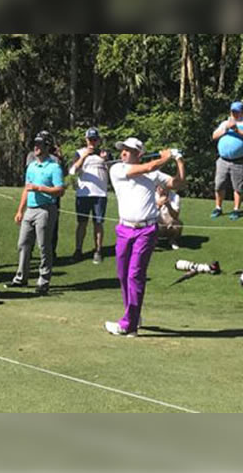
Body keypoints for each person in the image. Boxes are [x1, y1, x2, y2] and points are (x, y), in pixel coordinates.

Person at [104, 138, 186, 337]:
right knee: (123, 274)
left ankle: (128, 325)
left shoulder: (153, 174)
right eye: (122, 149)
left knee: (135, 275)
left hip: (146, 230)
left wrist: (179, 160)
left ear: (138, 154)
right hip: (124, 228)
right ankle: (133, 315)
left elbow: (178, 183)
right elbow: (147, 167)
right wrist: (165, 158)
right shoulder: (117, 169)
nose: (123, 153)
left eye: (129, 150)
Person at [9, 134, 65, 295]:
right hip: (30, 210)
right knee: (23, 244)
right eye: (35, 145)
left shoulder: (54, 167)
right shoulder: (32, 166)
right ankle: (21, 278)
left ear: (47, 147)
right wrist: (20, 210)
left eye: (40, 145)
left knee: (43, 246)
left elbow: (60, 190)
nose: (36, 148)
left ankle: (43, 281)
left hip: (46, 209)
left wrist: (40, 188)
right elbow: (26, 189)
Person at [70, 127, 110, 264]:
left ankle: (98, 250)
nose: (92, 142)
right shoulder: (79, 153)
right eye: (90, 139)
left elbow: (113, 170)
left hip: (100, 194)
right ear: (86, 139)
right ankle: (78, 250)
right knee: (82, 223)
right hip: (84, 194)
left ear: (98, 140)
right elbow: (72, 170)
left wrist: (104, 160)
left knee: (98, 223)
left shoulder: (105, 153)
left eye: (95, 139)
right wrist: (85, 156)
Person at [211, 101, 243, 220]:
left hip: (239, 161)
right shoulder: (225, 123)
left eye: (237, 111)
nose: (235, 113)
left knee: (238, 186)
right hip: (223, 160)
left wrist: (236, 130)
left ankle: (236, 209)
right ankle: (218, 207)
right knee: (219, 184)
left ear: (242, 112)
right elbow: (214, 136)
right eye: (233, 111)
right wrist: (225, 129)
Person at [155, 184, 182, 250]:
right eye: (160, 188)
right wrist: (158, 206)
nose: (162, 190)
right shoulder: (151, 195)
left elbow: (176, 215)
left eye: (165, 188)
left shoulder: (175, 197)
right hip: (156, 222)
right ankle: (153, 241)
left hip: (169, 223)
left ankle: (172, 240)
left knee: (178, 224)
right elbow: (149, 214)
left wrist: (168, 205)